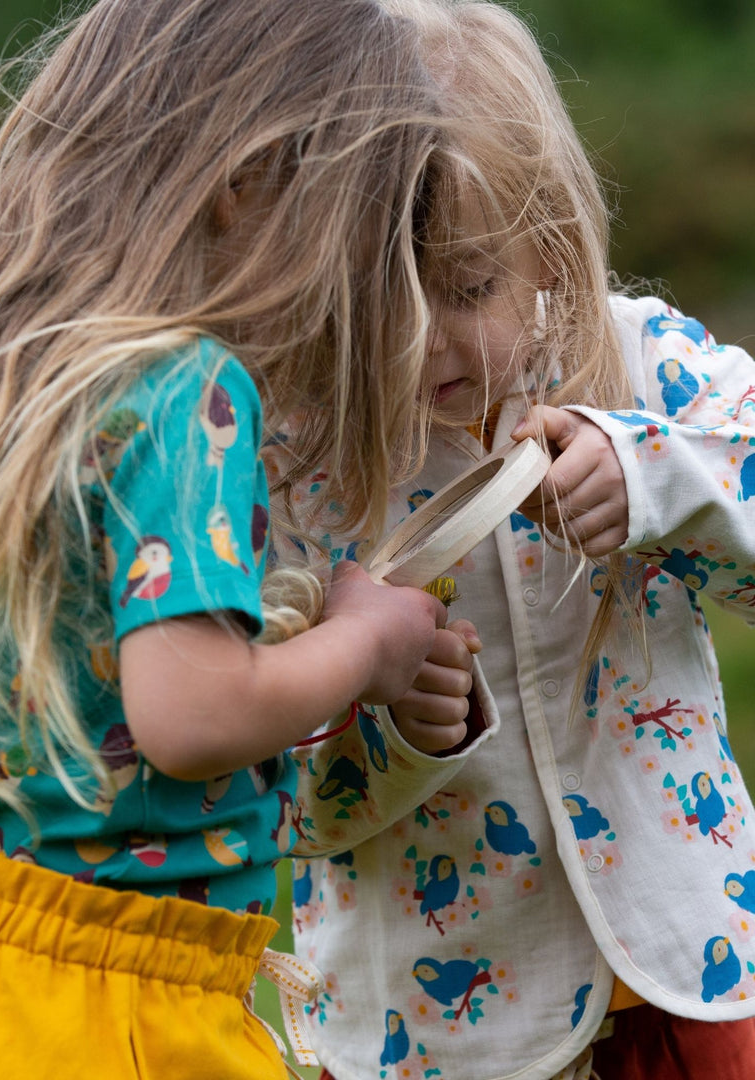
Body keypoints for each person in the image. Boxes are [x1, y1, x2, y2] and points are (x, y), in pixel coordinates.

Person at [0, 1, 486, 1076]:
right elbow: (193, 712)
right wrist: (367, 644)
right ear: (251, 180)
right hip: (120, 1018)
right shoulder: (187, 389)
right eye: (363, 227)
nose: (360, 284)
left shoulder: (25, 370)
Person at [281, 2, 755, 1079]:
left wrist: (651, 476)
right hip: (440, 1029)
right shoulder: (302, 470)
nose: (422, 344)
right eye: (377, 305)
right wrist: (392, 722)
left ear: (543, 239)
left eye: (466, 289)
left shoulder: (637, 369)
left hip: (686, 973)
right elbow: (281, 805)